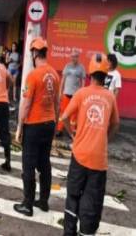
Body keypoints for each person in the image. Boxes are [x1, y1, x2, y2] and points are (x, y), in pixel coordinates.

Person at [61, 53, 119, 236]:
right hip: (98, 160)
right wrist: (105, 139)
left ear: (90, 75)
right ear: (105, 76)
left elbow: (64, 118)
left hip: (79, 155)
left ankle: (69, 232)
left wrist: (73, 136)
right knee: (92, 203)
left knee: (73, 197)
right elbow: (116, 124)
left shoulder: (81, 94)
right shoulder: (110, 97)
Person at [13, 37, 60, 217]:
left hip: (33, 126)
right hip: (49, 124)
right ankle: (44, 201)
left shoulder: (32, 76)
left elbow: (25, 105)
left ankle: (27, 204)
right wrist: (55, 125)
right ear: (45, 53)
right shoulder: (55, 75)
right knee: (44, 164)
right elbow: (57, 103)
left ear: (34, 53)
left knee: (29, 165)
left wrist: (19, 127)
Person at [57, 50, 86, 135]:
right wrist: (60, 92)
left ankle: (72, 131)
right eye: (72, 56)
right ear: (70, 57)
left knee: (74, 114)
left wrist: (82, 94)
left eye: (75, 56)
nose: (74, 58)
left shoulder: (81, 68)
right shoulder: (67, 66)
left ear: (78, 57)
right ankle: (60, 129)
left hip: (76, 95)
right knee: (63, 112)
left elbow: (83, 82)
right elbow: (63, 80)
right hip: (66, 93)